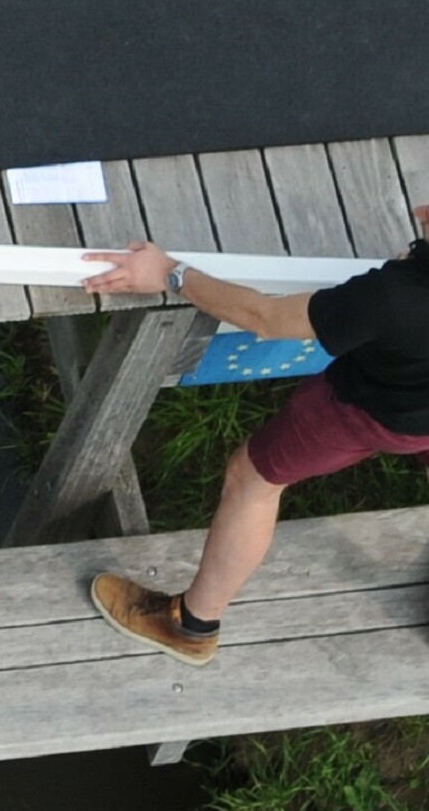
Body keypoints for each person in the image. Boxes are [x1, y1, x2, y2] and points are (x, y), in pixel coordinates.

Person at [79, 207, 429, 664]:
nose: (419, 209)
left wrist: (169, 273)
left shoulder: (389, 299)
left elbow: (265, 317)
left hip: (378, 410)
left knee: (253, 480)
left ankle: (191, 625)